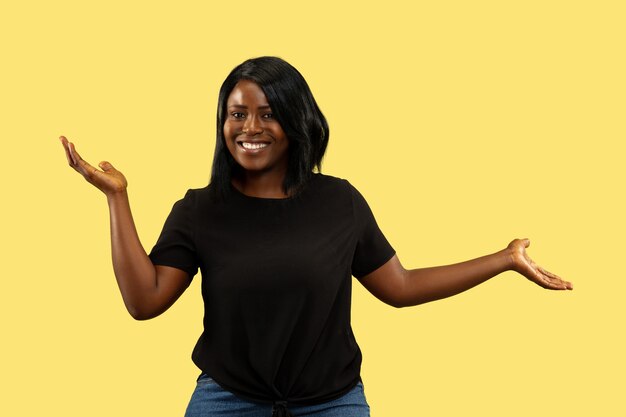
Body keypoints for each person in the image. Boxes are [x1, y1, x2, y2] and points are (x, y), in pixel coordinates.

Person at [59, 56, 572, 417]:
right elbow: (144, 301)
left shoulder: (339, 201)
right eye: (237, 113)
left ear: (295, 121)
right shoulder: (200, 209)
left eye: (267, 113)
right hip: (227, 401)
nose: (250, 127)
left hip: (333, 403)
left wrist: (503, 260)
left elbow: (401, 286)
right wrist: (117, 198)